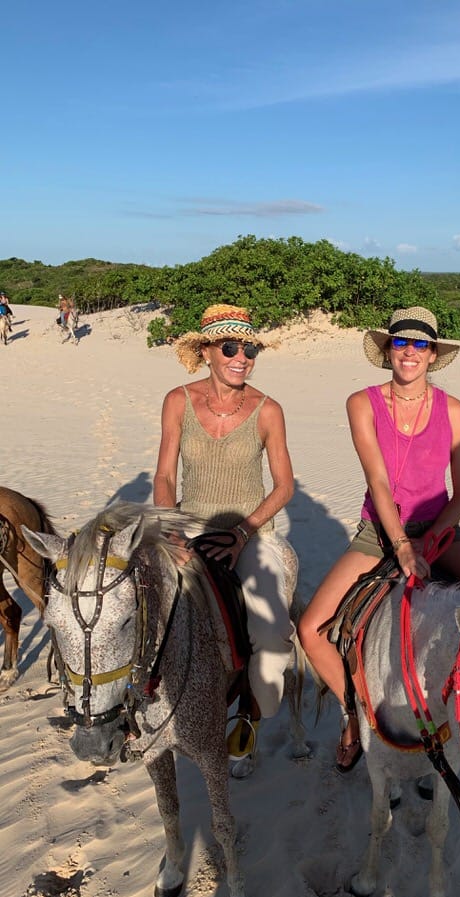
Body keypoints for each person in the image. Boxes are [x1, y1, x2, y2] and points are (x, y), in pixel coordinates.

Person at [298, 306, 460, 773]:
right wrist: (400, 545)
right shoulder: (362, 402)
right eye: (400, 342)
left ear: (432, 354)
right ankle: (355, 712)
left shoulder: (453, 410)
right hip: (380, 532)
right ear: (388, 350)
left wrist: (429, 541)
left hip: (441, 531)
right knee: (311, 630)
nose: (409, 352)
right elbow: (377, 479)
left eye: (419, 344)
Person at [153, 303, 296, 778]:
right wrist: (170, 531)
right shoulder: (178, 401)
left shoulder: (268, 410)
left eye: (250, 350)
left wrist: (243, 531)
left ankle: (252, 715)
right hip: (188, 528)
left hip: (250, 533)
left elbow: (283, 487)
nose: (242, 358)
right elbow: (164, 476)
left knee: (270, 632)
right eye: (231, 348)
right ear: (206, 352)